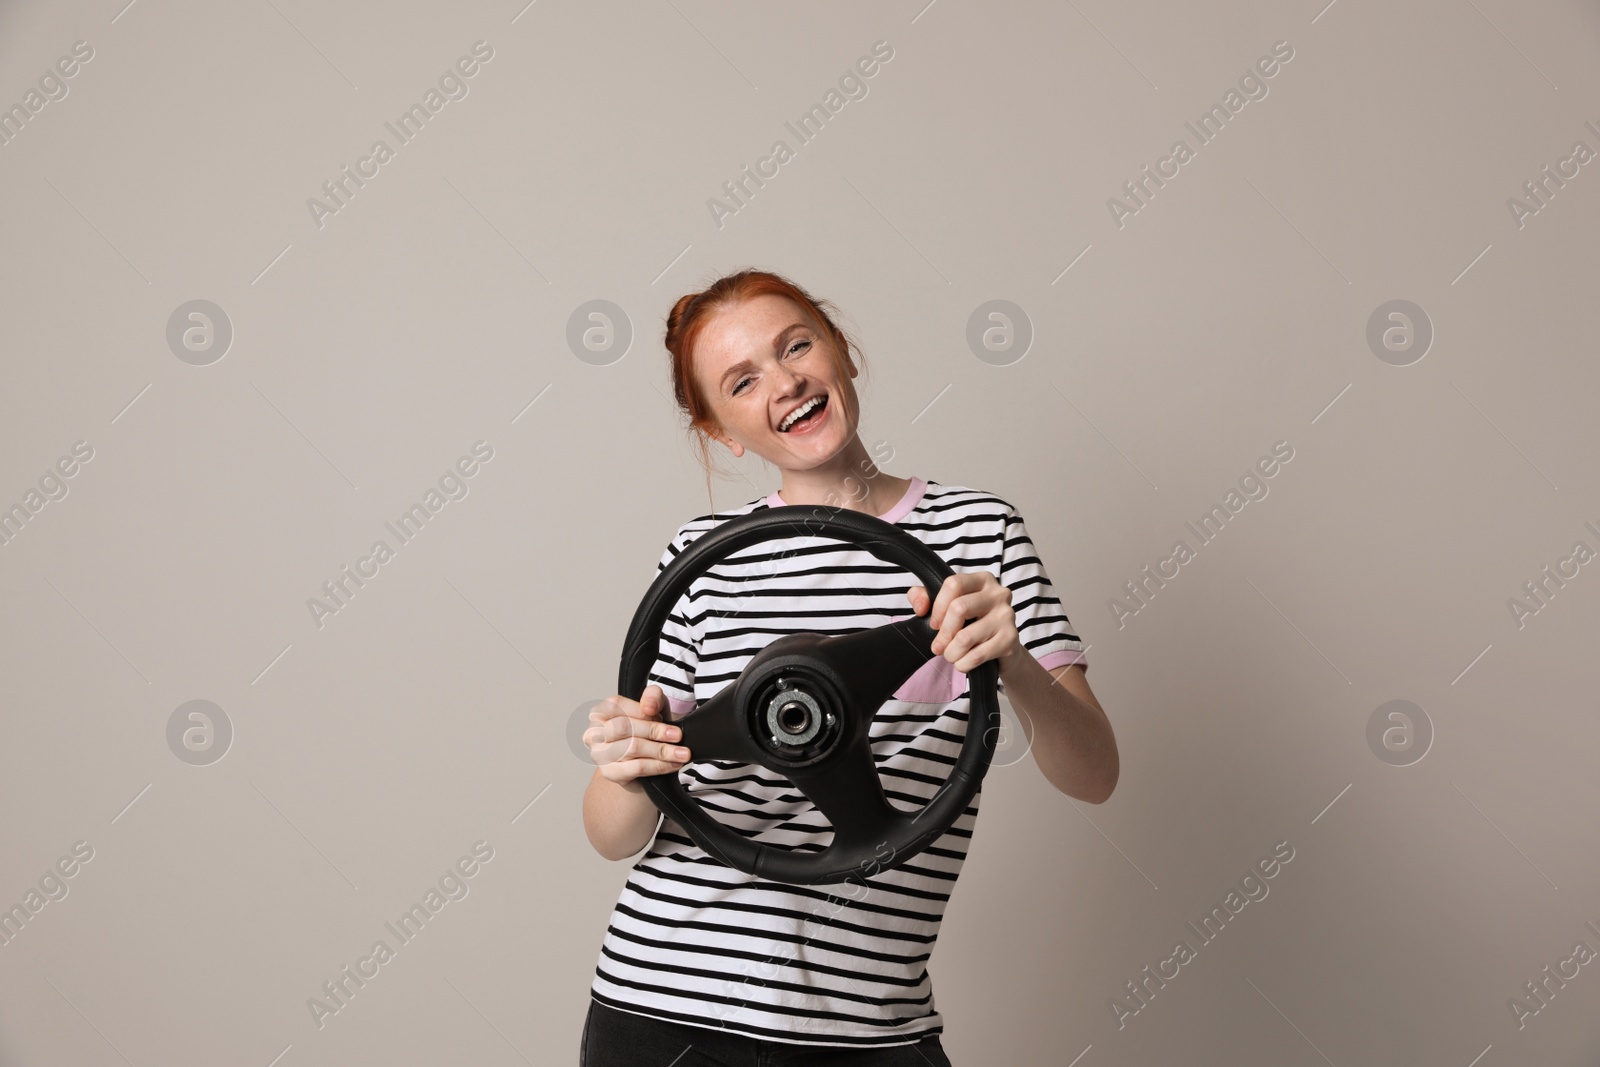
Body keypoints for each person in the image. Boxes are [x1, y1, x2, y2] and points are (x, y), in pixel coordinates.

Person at [579, 269, 1119, 1065]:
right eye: (743, 380)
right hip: (663, 1006)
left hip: (868, 1023)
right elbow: (612, 835)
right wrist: (624, 766)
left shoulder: (979, 533)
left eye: (798, 345)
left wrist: (1010, 660)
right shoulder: (703, 562)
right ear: (724, 432)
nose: (786, 380)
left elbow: (1095, 772)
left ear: (843, 353)